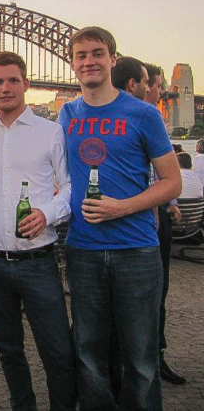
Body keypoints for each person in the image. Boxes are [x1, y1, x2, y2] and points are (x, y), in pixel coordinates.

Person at [58, 26, 181, 410]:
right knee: (89, 352)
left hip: (136, 250)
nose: (89, 61)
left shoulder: (144, 114)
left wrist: (122, 207)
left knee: (141, 357)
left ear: (113, 59)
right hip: (83, 250)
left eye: (97, 53)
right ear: (72, 64)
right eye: (81, 55)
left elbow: (172, 182)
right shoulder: (66, 114)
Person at [0, 51, 76, 411]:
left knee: (58, 350)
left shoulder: (51, 132)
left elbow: (69, 186)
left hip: (38, 262)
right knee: (8, 350)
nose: (6, 88)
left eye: (13, 80)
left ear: (26, 84)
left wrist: (46, 213)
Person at [144, 61, 186, 385]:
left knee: (159, 292)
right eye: (156, 85)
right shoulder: (124, 120)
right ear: (139, 84)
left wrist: (171, 203)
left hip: (158, 217)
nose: (162, 91)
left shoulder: (153, 119)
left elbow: (163, 171)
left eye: (159, 84)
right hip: (139, 220)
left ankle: (156, 356)